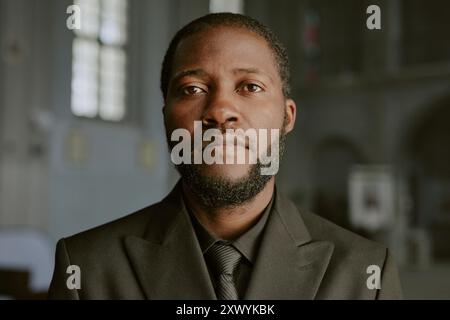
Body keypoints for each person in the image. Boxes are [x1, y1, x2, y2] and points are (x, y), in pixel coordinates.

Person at [48, 13, 402, 300]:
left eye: (250, 86)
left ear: (287, 117)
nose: (220, 110)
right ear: (166, 118)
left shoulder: (365, 272)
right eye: (192, 89)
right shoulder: (85, 268)